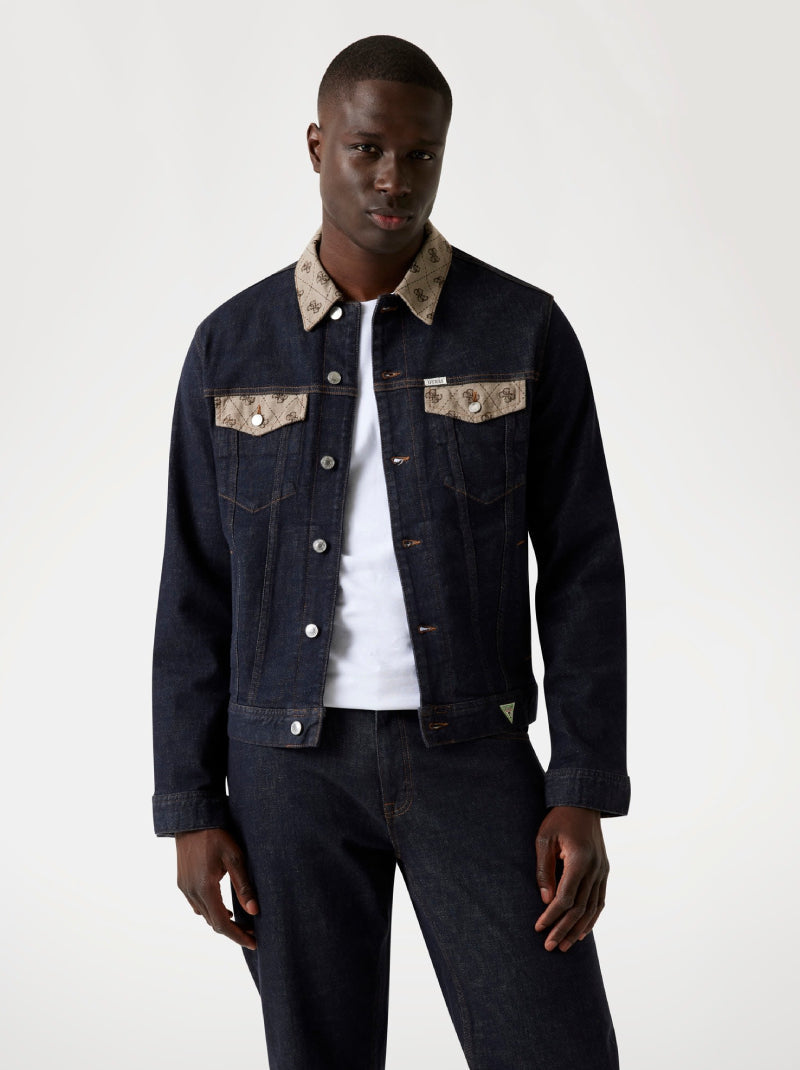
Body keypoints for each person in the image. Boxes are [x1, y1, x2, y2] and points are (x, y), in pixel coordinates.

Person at [152, 34, 630, 1070]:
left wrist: (582, 782)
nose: (392, 178)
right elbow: (194, 585)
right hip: (284, 769)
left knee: (553, 1047)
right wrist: (189, 802)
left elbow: (583, 567)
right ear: (316, 145)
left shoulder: (521, 329)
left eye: (420, 154)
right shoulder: (231, 346)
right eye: (366, 148)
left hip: (472, 752)